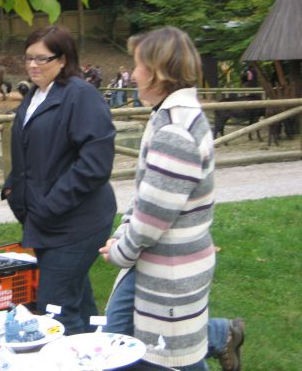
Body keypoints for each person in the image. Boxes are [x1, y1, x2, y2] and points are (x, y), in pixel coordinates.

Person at [99, 26, 245, 371]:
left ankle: (223, 339)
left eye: (136, 66)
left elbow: (153, 217)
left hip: (170, 268)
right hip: (161, 262)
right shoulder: (172, 117)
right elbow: (148, 197)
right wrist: (124, 234)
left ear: (157, 71)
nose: (132, 75)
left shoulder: (175, 130)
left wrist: (122, 249)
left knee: (162, 355)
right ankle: (224, 338)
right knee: (129, 343)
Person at [1, 25, 117, 335]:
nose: (33, 65)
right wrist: (13, 188)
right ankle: (100, 355)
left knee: (55, 307)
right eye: (28, 58)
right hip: (44, 220)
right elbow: (30, 150)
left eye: (42, 58)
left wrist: (49, 206)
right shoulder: (36, 95)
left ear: (63, 60)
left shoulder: (81, 96)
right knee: (76, 300)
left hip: (77, 222)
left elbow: (94, 164)